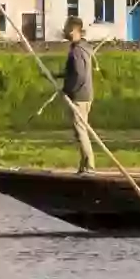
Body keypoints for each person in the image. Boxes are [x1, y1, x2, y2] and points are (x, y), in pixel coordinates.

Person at [61, 17, 97, 172]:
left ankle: (89, 166)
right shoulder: (84, 48)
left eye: (68, 30)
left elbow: (80, 75)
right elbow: (73, 72)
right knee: (80, 129)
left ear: (75, 31)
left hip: (80, 96)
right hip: (86, 94)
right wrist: (57, 75)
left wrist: (69, 91)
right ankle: (84, 166)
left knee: (80, 130)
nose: (65, 32)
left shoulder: (77, 51)